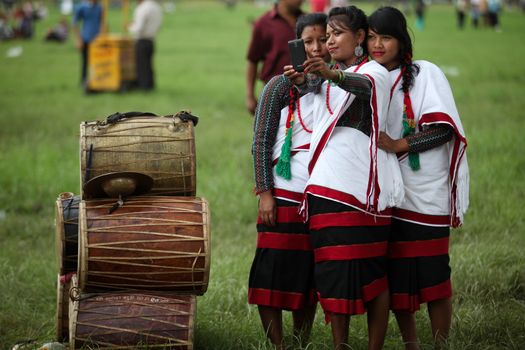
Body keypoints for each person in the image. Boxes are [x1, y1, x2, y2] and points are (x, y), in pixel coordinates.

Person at [287, 6, 404, 349]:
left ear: (360, 38)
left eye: (336, 34)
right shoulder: (327, 77)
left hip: (363, 193)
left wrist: (330, 75)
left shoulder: (374, 72)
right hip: (325, 188)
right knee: (331, 273)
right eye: (327, 36)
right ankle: (340, 345)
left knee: (372, 273)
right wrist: (305, 83)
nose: (329, 41)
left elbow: (362, 87)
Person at [367, 6, 469, 349]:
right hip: (390, 194)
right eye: (370, 37)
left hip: (427, 192)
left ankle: (441, 344)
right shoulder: (367, 76)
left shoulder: (426, 73)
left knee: (435, 274)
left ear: (401, 40)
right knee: (397, 278)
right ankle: (412, 344)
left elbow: (443, 129)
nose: (377, 44)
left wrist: (399, 143)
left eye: (386, 36)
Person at [248, 12, 331, 350]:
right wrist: (266, 193)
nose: (315, 48)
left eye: (322, 40)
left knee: (307, 275)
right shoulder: (278, 86)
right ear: (296, 44)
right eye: (307, 41)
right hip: (282, 194)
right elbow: (261, 141)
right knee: (272, 269)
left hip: (320, 196)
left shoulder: (337, 83)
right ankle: (278, 345)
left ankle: (301, 342)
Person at [245, 0, 304, 115]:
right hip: (274, 93)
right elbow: (253, 60)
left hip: (305, 91)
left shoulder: (307, 21)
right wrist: (250, 95)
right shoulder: (263, 23)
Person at [128, 0, 163, 91]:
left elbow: (139, 27)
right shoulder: (157, 7)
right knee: (148, 64)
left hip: (141, 40)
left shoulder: (142, 8)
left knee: (142, 66)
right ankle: (150, 85)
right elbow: (159, 26)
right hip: (151, 40)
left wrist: (130, 27)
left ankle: (143, 87)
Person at [72, 0, 102, 86]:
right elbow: (74, 22)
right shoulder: (82, 7)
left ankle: (98, 81)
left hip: (98, 40)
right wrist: (78, 39)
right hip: (86, 39)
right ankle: (83, 81)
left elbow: (103, 22)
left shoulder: (100, 7)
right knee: (85, 62)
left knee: (98, 62)